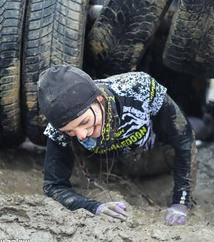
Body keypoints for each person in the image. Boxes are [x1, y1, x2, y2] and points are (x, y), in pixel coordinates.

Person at [38, 65, 197, 226]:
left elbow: (184, 138)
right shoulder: (58, 127)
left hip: (155, 154)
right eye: (70, 131)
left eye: (84, 122)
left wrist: (181, 201)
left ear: (99, 99)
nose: (81, 134)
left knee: (196, 130)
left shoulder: (140, 89)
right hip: (109, 166)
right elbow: (54, 186)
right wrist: (94, 207)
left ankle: (211, 122)